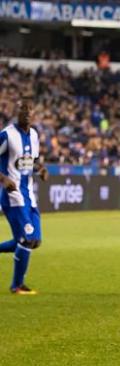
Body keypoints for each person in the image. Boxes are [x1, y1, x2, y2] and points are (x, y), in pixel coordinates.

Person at [0, 96, 48, 295]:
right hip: (13, 196)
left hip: (29, 196)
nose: (27, 113)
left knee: (34, 240)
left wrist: (40, 169)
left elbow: (30, 161)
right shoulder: (7, 135)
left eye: (30, 110)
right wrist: (3, 180)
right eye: (23, 110)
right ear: (16, 113)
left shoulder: (34, 135)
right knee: (26, 239)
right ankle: (17, 285)